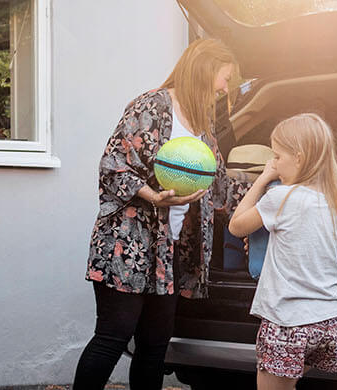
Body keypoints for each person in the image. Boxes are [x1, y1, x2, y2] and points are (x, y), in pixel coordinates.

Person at [77, 39, 236, 390]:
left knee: (154, 346)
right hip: (128, 245)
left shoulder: (202, 125)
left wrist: (274, 182)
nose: (225, 88)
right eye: (224, 78)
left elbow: (218, 182)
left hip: (169, 252)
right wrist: (154, 197)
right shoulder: (153, 105)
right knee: (112, 338)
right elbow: (113, 164)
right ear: (205, 71)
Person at [228, 113, 337, 390]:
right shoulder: (336, 200)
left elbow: (237, 226)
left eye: (277, 156)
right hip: (328, 320)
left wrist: (263, 179)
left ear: (298, 158)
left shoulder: (281, 197)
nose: (274, 163)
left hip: (289, 321)